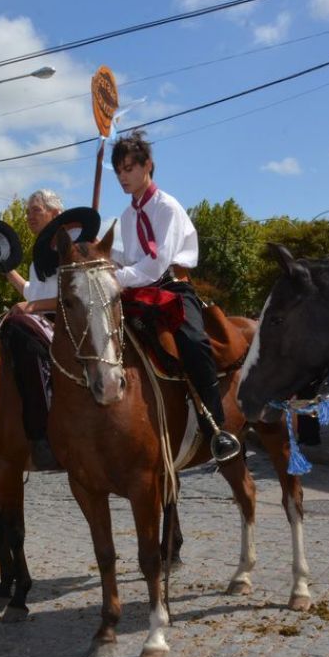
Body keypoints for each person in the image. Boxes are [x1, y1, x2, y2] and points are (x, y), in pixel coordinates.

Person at [109, 130, 240, 462]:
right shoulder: (126, 217)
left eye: (129, 168)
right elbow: (133, 259)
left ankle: (216, 426)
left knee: (194, 343)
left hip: (172, 289)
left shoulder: (167, 207)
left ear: (147, 165)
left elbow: (156, 264)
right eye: (119, 171)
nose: (123, 177)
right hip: (137, 291)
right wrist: (105, 259)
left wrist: (116, 277)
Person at [0, 189, 64, 470]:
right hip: (40, 317)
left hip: (63, 322)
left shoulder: (65, 248)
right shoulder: (39, 253)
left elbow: (68, 298)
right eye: (27, 212)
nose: (28, 217)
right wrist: (4, 268)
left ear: (55, 213)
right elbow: (31, 291)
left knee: (20, 332)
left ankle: (43, 433)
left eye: (35, 210)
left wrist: (30, 308)